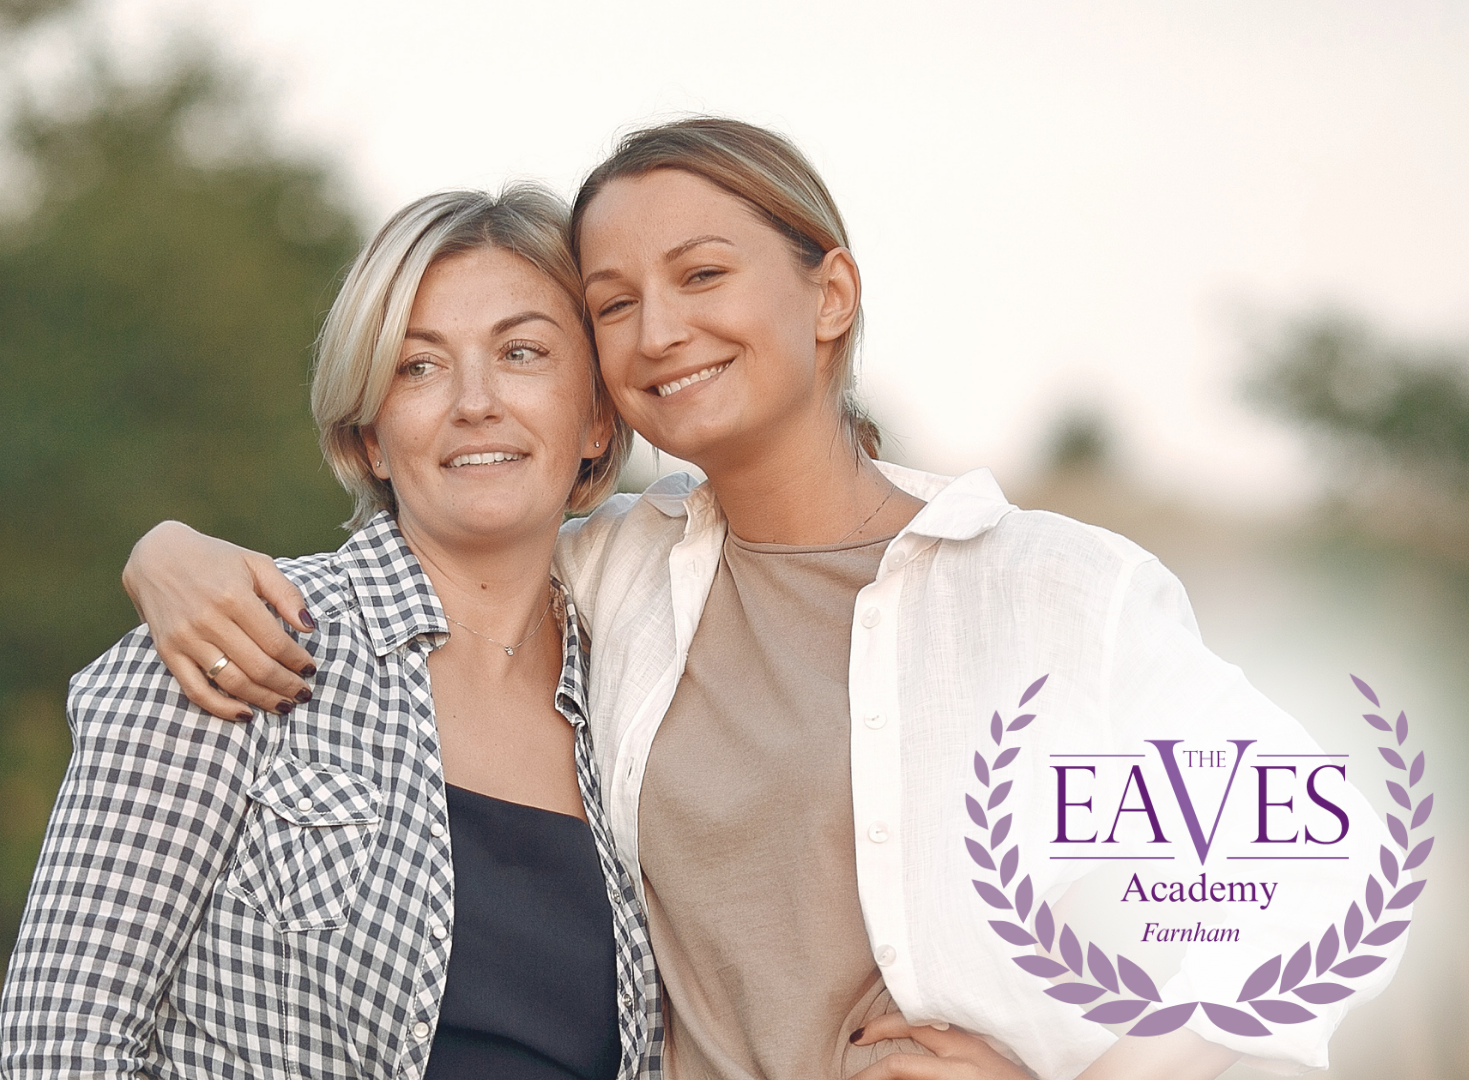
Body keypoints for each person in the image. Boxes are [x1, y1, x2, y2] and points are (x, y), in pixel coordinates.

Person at [120, 118, 1391, 1080]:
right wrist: (169, 550)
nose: (658, 329)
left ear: (828, 296)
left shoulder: (1058, 594)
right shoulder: (606, 575)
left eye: (703, 276)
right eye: (613, 305)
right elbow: (418, 561)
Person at [0, 187, 661, 1080]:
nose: (475, 402)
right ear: (371, 437)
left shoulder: (643, 686)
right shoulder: (238, 641)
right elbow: (63, 1042)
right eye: (419, 367)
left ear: (594, 419)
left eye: (523, 353)